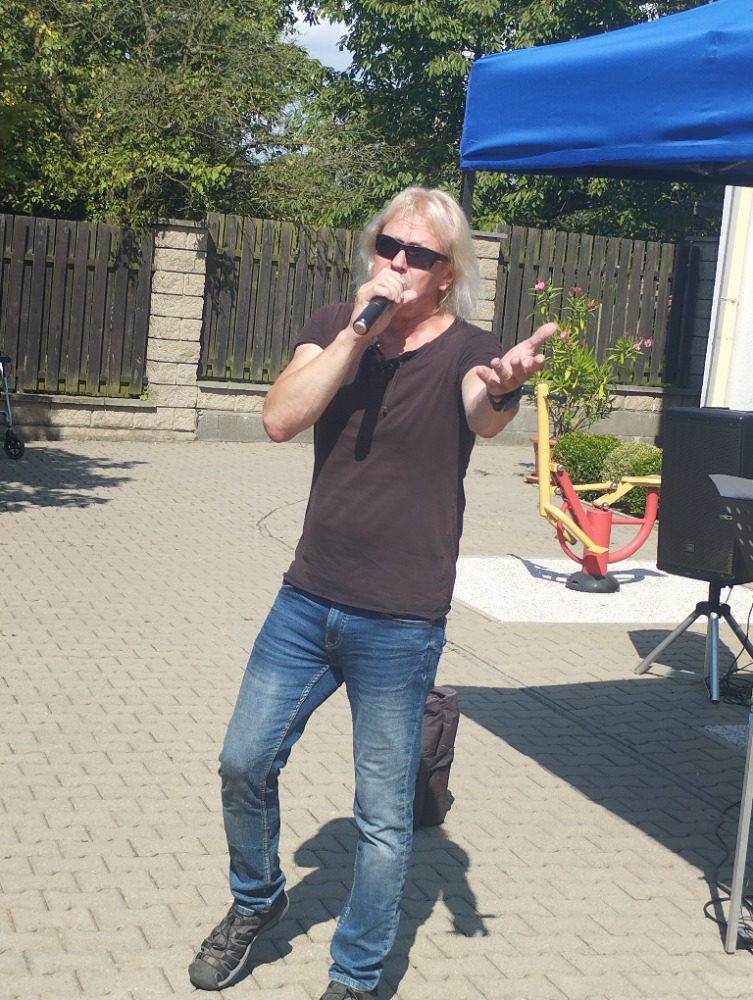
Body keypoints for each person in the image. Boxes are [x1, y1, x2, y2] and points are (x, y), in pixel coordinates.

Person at [189, 186, 556, 999]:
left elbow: (483, 408)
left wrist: (504, 386)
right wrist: (359, 332)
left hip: (399, 617)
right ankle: (258, 900)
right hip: (306, 598)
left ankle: (354, 977)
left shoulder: (472, 348)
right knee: (243, 761)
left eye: (418, 254)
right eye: (388, 246)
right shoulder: (334, 324)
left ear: (447, 271)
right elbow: (280, 419)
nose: (398, 262)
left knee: (383, 816)